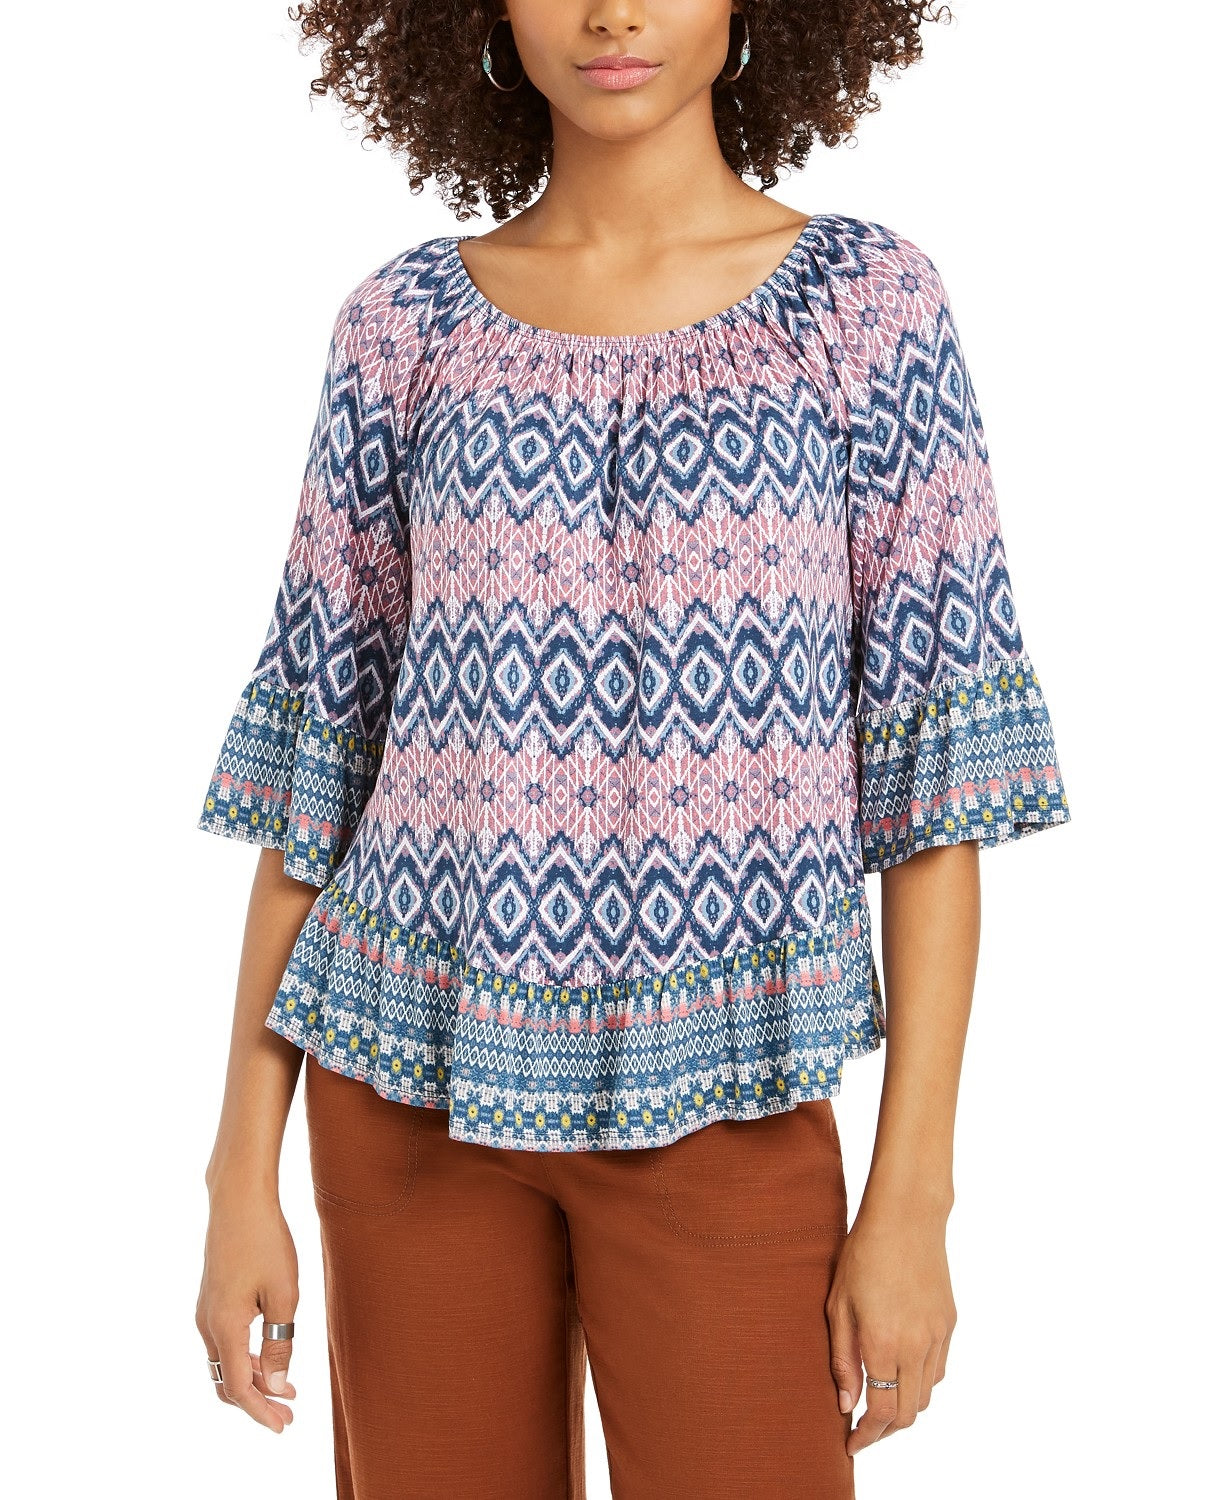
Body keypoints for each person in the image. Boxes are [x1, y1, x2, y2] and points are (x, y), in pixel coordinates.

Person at [193, 3, 1072, 1497]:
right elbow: (317, 779)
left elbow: (939, 793)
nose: (610, 10)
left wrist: (912, 1200)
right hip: (404, 1097)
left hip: (726, 1103)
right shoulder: (402, 329)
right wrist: (237, 1172)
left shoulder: (865, 312)